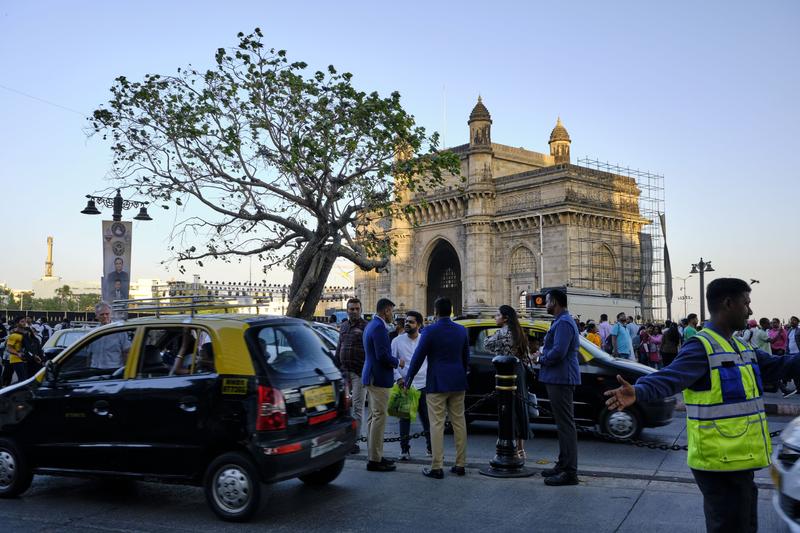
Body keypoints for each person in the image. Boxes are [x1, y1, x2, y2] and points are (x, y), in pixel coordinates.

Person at [604, 278, 800, 532]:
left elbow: (777, 367)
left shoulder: (741, 346)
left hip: (740, 462)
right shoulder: (701, 346)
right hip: (719, 465)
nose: (750, 311)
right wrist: (639, 391)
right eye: (746, 303)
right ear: (728, 303)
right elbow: (670, 377)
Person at [405, 297, 469, 479]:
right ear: (450, 310)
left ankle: (437, 466)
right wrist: (462, 375)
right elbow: (466, 358)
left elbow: (418, 357)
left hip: (437, 382)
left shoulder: (430, 331)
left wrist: (408, 379)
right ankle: (460, 464)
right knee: (459, 422)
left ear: (435, 311)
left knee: (436, 424)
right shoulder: (461, 330)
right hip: (457, 381)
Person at [534, 288, 580, 486]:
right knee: (562, 425)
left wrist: (541, 358)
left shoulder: (564, 323)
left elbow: (559, 352)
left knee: (566, 425)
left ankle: (570, 472)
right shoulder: (561, 322)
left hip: (562, 377)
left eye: (547, 301)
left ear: (556, 302)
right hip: (557, 377)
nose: (545, 305)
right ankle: (563, 464)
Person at [485, 305, 531, 458]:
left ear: (505, 318)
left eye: (497, 315)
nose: (495, 317)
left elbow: (486, 344)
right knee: (520, 409)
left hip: (506, 373)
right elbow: (527, 356)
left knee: (508, 410)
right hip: (520, 371)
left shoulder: (502, 333)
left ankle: (509, 448)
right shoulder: (520, 333)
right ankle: (520, 449)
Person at [361, 298, 399, 472]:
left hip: (371, 376)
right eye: (391, 311)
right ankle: (375, 459)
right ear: (385, 311)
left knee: (373, 418)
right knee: (379, 418)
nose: (393, 314)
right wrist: (399, 362)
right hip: (378, 378)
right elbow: (382, 355)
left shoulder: (371, 325)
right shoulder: (379, 327)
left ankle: (374, 455)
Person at [391, 311, 431, 460]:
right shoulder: (397, 341)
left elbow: (430, 362)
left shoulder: (425, 340)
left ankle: (431, 448)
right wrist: (399, 379)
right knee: (404, 419)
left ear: (419, 325)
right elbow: (392, 362)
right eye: (407, 321)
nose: (407, 324)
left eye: (411, 322)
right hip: (405, 385)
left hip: (424, 384)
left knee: (427, 419)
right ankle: (404, 450)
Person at [334, 298, 369, 454]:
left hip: (359, 373)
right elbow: (339, 347)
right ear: (347, 310)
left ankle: (354, 442)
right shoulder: (344, 326)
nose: (353, 311)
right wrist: (336, 366)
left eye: (356, 308)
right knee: (343, 408)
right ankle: (343, 439)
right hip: (344, 372)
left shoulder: (366, 327)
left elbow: (370, 351)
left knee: (358, 408)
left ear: (360, 310)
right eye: (351, 309)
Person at [88, 302, 130, 369]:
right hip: (94, 372)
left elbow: (126, 352)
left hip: (112, 373)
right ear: (96, 316)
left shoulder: (119, 331)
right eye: (102, 314)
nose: (105, 316)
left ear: (111, 314)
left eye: (107, 314)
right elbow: (89, 354)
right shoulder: (93, 333)